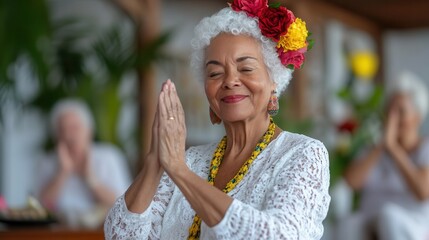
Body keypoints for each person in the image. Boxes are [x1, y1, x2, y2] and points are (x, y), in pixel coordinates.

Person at [104, 1, 330, 239]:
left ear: (273, 80)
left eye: (246, 68)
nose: (230, 81)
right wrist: (155, 161)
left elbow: (277, 235)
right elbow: (122, 235)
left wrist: (180, 172)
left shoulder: (302, 153)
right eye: (215, 73)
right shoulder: (189, 160)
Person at [340, 71, 429, 240]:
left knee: (389, 217)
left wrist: (394, 149)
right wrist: (382, 145)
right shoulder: (373, 148)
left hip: (412, 225)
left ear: (417, 117)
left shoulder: (425, 148)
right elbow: (351, 182)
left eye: (400, 112)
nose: (392, 118)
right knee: (349, 223)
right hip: (370, 222)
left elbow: (423, 191)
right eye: (390, 110)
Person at [34, 99, 131, 226]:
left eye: (74, 128)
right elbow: (37, 207)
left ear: (89, 131)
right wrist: (62, 173)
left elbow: (126, 203)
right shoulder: (47, 161)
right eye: (62, 129)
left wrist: (90, 179)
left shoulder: (108, 157)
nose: (68, 135)